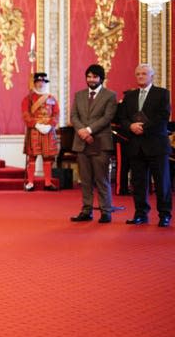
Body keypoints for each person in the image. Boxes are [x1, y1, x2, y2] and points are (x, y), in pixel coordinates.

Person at [118, 63, 172, 227]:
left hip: (156, 144)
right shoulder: (129, 96)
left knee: (162, 182)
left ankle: (164, 214)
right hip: (136, 145)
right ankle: (141, 213)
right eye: (138, 74)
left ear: (151, 76)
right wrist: (130, 126)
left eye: (144, 74)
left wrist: (143, 127)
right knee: (139, 182)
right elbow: (122, 117)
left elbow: (163, 116)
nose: (141, 76)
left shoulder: (162, 93)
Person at [69, 64, 117, 223]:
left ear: (101, 78)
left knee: (101, 178)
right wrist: (82, 131)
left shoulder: (110, 95)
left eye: (94, 77)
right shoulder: (79, 95)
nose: (91, 80)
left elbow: (107, 117)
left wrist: (88, 130)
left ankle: (106, 211)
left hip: (101, 142)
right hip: (81, 142)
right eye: (88, 77)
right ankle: (86, 210)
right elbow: (74, 116)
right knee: (85, 179)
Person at [21, 72, 59, 191]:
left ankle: (47, 183)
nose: (40, 84)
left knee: (48, 158)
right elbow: (25, 114)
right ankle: (30, 182)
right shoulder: (28, 98)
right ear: (35, 83)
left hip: (48, 131)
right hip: (34, 130)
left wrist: (50, 125)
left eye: (43, 81)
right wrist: (36, 124)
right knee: (32, 157)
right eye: (38, 81)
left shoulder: (52, 98)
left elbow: (56, 114)